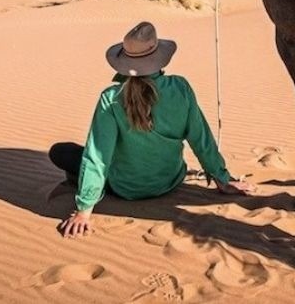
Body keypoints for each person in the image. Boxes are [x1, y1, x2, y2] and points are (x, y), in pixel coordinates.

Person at [51, 21, 254, 238]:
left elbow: (98, 156)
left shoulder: (111, 98)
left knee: (60, 152)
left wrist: (84, 211)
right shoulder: (180, 88)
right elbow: (200, 138)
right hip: (170, 181)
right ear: (159, 56)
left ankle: (87, 187)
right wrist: (222, 179)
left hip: (125, 189)